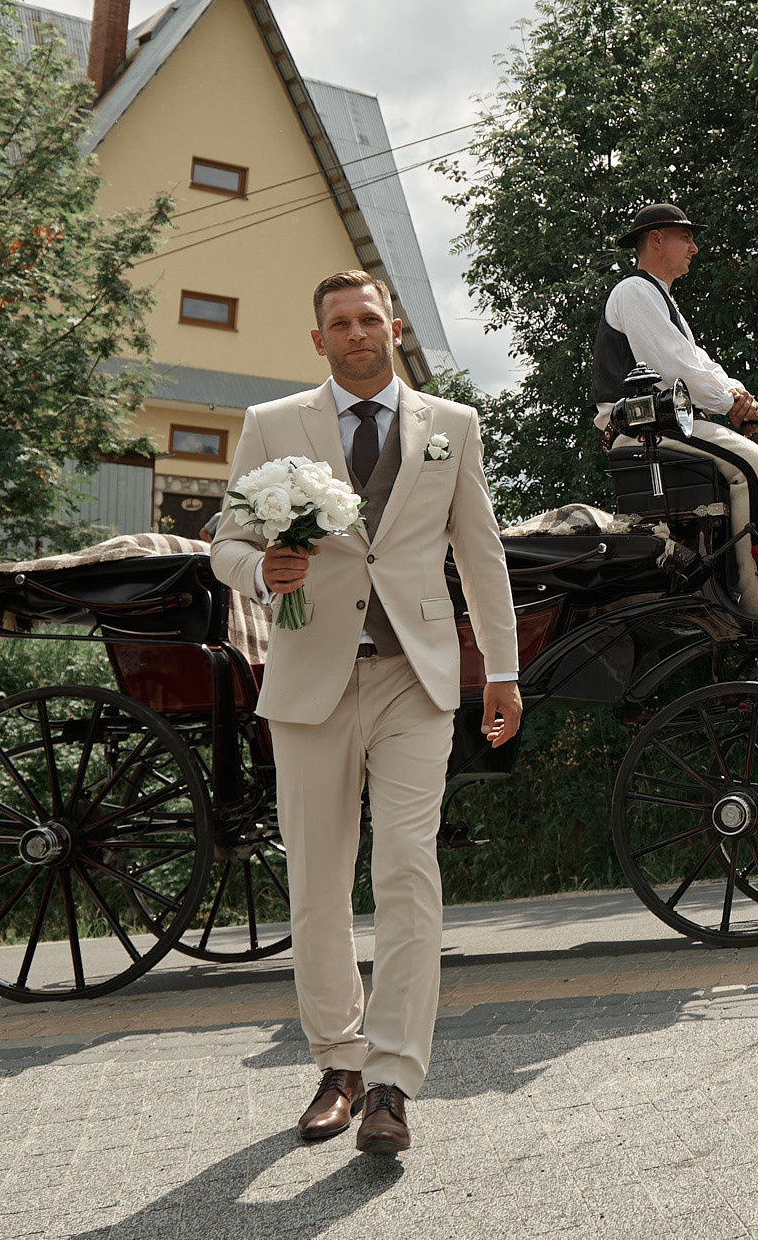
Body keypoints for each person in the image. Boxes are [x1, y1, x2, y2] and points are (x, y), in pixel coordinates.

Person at [209, 269, 521, 1155]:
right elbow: (227, 538)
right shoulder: (272, 426)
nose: (357, 332)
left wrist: (501, 668)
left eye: (369, 317)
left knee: (408, 870)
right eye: (339, 322)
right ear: (319, 339)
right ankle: (337, 1063)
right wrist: (257, 568)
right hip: (309, 677)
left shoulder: (450, 427)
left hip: (413, 678)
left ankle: (391, 1081)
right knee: (315, 881)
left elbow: (483, 551)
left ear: (393, 326)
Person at [594, 202, 758, 614]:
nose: (694, 247)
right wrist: (732, 403)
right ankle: (756, 596)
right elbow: (675, 366)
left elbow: (699, 363)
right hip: (640, 430)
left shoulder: (663, 301)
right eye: (687, 237)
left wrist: (738, 396)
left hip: (668, 423)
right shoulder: (634, 291)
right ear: (656, 240)